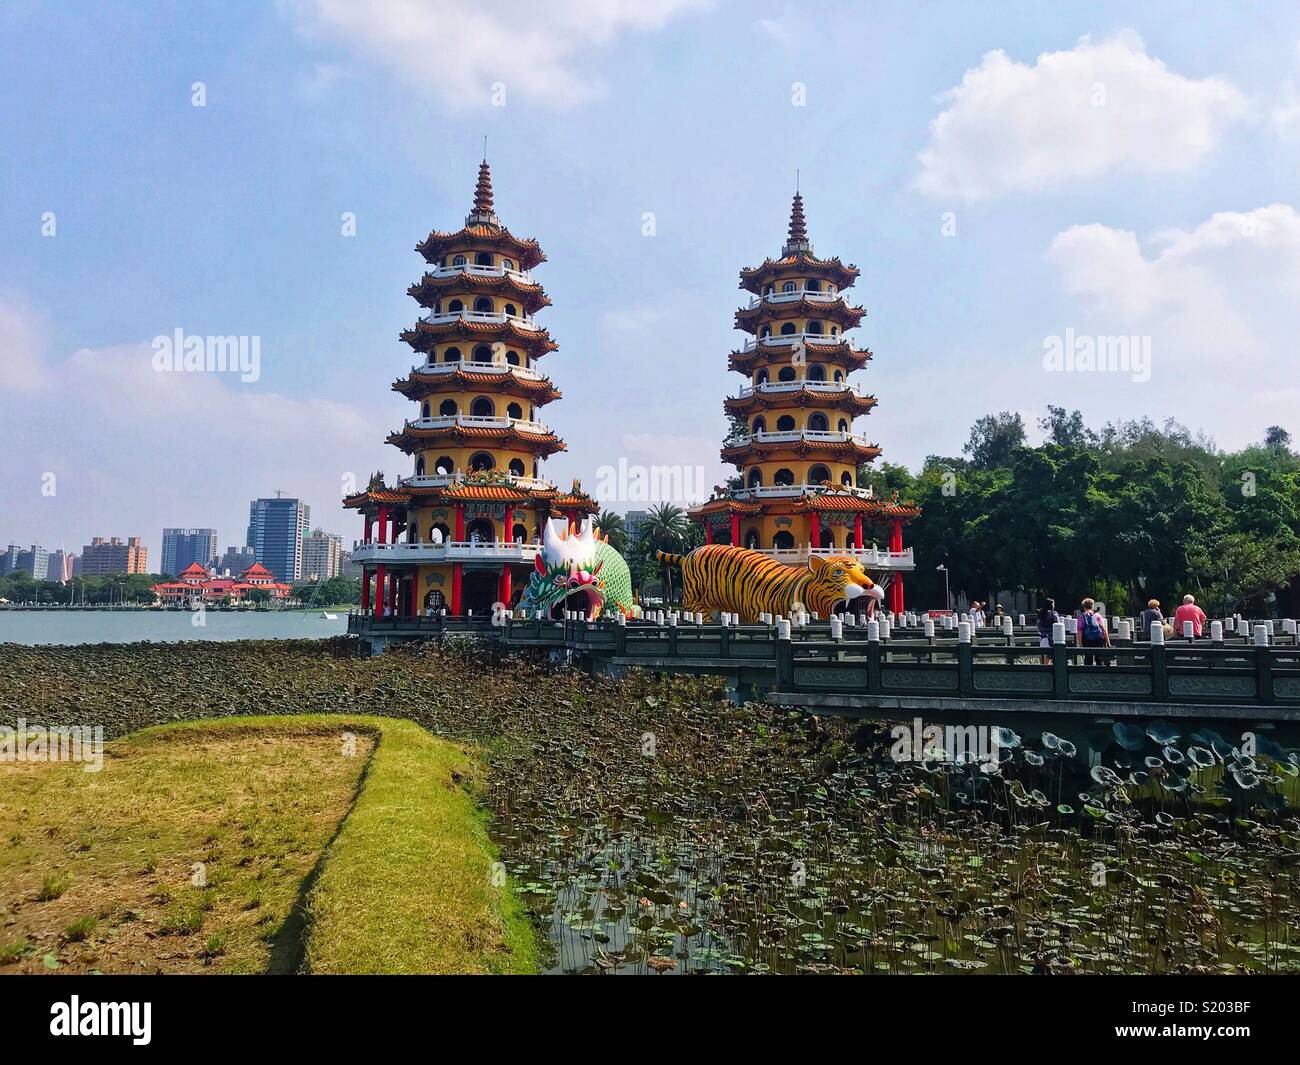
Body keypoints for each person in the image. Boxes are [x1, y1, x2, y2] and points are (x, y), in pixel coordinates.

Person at [1076, 598, 1110, 664]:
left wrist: (1080, 644)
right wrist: (1107, 641)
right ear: (1092, 606)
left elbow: (1079, 631)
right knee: (1099, 660)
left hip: (1087, 641)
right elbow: (1103, 629)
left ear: (1084, 606)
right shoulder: (1097, 615)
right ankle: (1099, 673)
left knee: (1088, 660)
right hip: (1098, 641)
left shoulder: (1081, 617)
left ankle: (1089, 674)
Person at [1037, 598, 1060, 664]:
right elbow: (1057, 625)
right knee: (1053, 658)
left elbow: (1039, 627)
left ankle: (1045, 673)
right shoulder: (1054, 614)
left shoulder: (1041, 613)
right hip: (1051, 638)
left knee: (1045, 659)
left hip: (1043, 638)